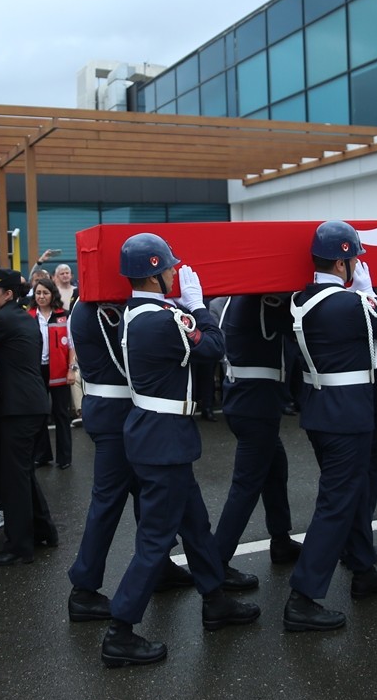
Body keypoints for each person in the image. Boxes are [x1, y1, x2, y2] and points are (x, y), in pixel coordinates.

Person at [102, 233, 259, 668]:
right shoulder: (162, 318)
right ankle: (120, 630)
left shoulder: (137, 312)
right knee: (156, 539)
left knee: (195, 524)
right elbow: (213, 347)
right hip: (163, 438)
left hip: (157, 434)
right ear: (155, 273)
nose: (175, 272)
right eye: (168, 267)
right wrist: (197, 306)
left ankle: (215, 600)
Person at [283, 221, 377, 631]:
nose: (357, 265)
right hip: (348, 416)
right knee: (336, 503)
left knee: (351, 495)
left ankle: (362, 567)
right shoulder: (352, 304)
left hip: (320, 410)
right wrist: (369, 295)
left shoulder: (299, 300)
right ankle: (303, 598)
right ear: (342, 263)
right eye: (354, 259)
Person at [65, 299, 195, 624]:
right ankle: (83, 588)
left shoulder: (93, 305)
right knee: (108, 501)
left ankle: (160, 566)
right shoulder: (99, 309)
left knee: (144, 493)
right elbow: (130, 364)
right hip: (115, 413)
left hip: (116, 411)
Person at [212, 294, 301, 575]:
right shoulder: (261, 302)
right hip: (256, 404)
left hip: (247, 401)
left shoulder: (236, 300)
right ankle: (218, 561)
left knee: (276, 470)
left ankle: (281, 539)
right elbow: (300, 326)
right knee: (246, 486)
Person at [0, 268, 58, 565]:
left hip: (17, 406)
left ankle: (20, 546)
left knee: (13, 478)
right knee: (21, 472)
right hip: (29, 403)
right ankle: (44, 530)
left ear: (8, 294)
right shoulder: (23, 316)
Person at [29, 278, 76, 469]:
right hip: (36, 371)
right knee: (39, 414)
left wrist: (71, 369)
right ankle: (42, 455)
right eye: (38, 293)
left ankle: (64, 458)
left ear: (52, 294)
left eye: (45, 293)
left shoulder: (63, 316)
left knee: (61, 415)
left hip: (60, 371)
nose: (41, 296)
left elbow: (72, 345)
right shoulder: (28, 316)